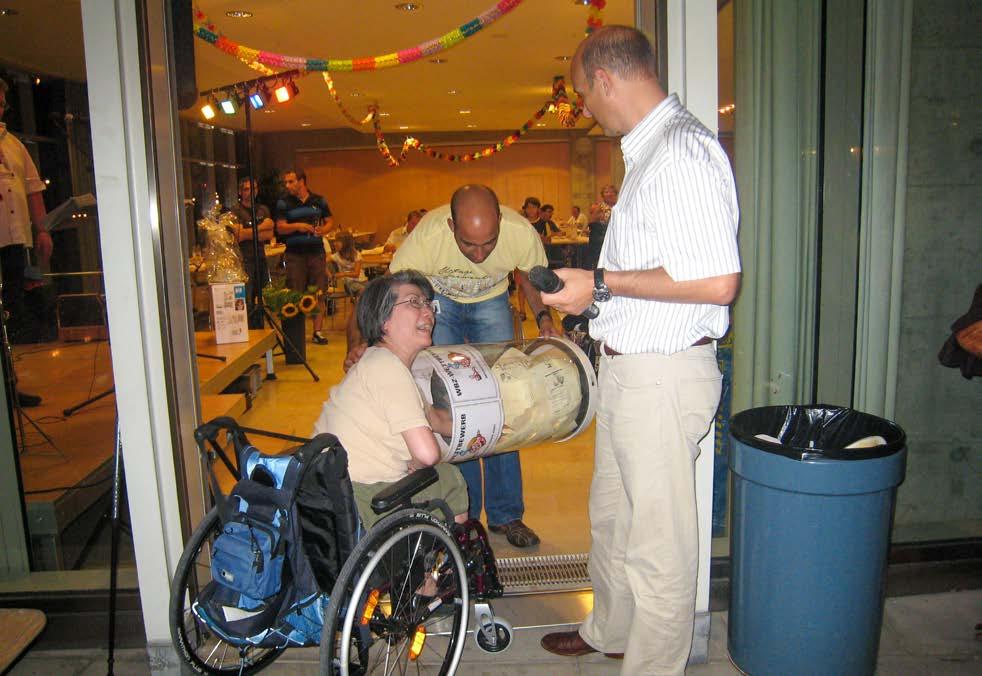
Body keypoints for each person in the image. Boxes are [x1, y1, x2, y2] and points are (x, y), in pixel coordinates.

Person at [538, 26, 741, 674]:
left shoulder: (681, 151)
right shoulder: (650, 153)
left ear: (604, 80)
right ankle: (610, 631)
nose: (585, 108)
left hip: (662, 375)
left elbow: (717, 281)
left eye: (583, 94)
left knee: (658, 549)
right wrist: (590, 299)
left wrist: (599, 281)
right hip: (631, 371)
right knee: (613, 520)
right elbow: (662, 273)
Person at [345, 184, 561, 548]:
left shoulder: (521, 232)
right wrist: (360, 341)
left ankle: (507, 514)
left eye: (489, 243)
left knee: (499, 406)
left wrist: (544, 318)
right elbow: (385, 293)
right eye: (468, 244)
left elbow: (528, 277)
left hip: (492, 302)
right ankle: (466, 513)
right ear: (450, 226)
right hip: (440, 303)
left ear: (500, 222)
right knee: (453, 409)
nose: (479, 255)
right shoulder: (427, 237)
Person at [312, 271, 468, 529]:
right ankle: (453, 549)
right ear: (384, 321)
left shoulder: (378, 363)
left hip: (330, 491)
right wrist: (417, 462)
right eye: (414, 302)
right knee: (449, 477)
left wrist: (494, 428)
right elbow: (428, 454)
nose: (428, 312)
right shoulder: (388, 368)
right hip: (363, 497)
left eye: (428, 303)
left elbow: (437, 420)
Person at [0, 78, 52, 406]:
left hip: (14, 244)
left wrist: (42, 230)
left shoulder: (14, 145)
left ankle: (9, 387)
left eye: (1, 103)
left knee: (11, 316)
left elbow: (33, 191)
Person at [275, 169, 334, 345]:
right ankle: (297, 333)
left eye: (291, 181)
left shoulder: (319, 200)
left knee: (319, 292)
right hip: (295, 255)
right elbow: (280, 227)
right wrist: (298, 226)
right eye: (286, 182)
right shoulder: (284, 203)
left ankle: (317, 332)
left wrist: (323, 229)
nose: (287, 185)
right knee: (296, 292)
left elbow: (330, 221)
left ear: (301, 182)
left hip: (316, 253)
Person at [229, 176, 274, 326]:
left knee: (262, 298)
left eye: (253, 189)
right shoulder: (235, 211)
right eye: (246, 189)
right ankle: (247, 330)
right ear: (240, 192)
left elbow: (269, 234)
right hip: (245, 260)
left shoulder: (263, 209)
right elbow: (238, 235)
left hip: (261, 258)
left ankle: (260, 329)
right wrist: (261, 229)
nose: (250, 192)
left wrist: (247, 232)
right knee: (246, 299)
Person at [330, 231, 367, 297]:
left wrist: (343, 274)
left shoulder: (356, 255)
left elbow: (356, 274)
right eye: (335, 241)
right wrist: (329, 275)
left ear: (346, 243)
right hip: (349, 283)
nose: (335, 243)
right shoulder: (336, 256)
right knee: (363, 291)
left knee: (372, 290)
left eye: (338, 241)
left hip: (362, 280)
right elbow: (322, 262)